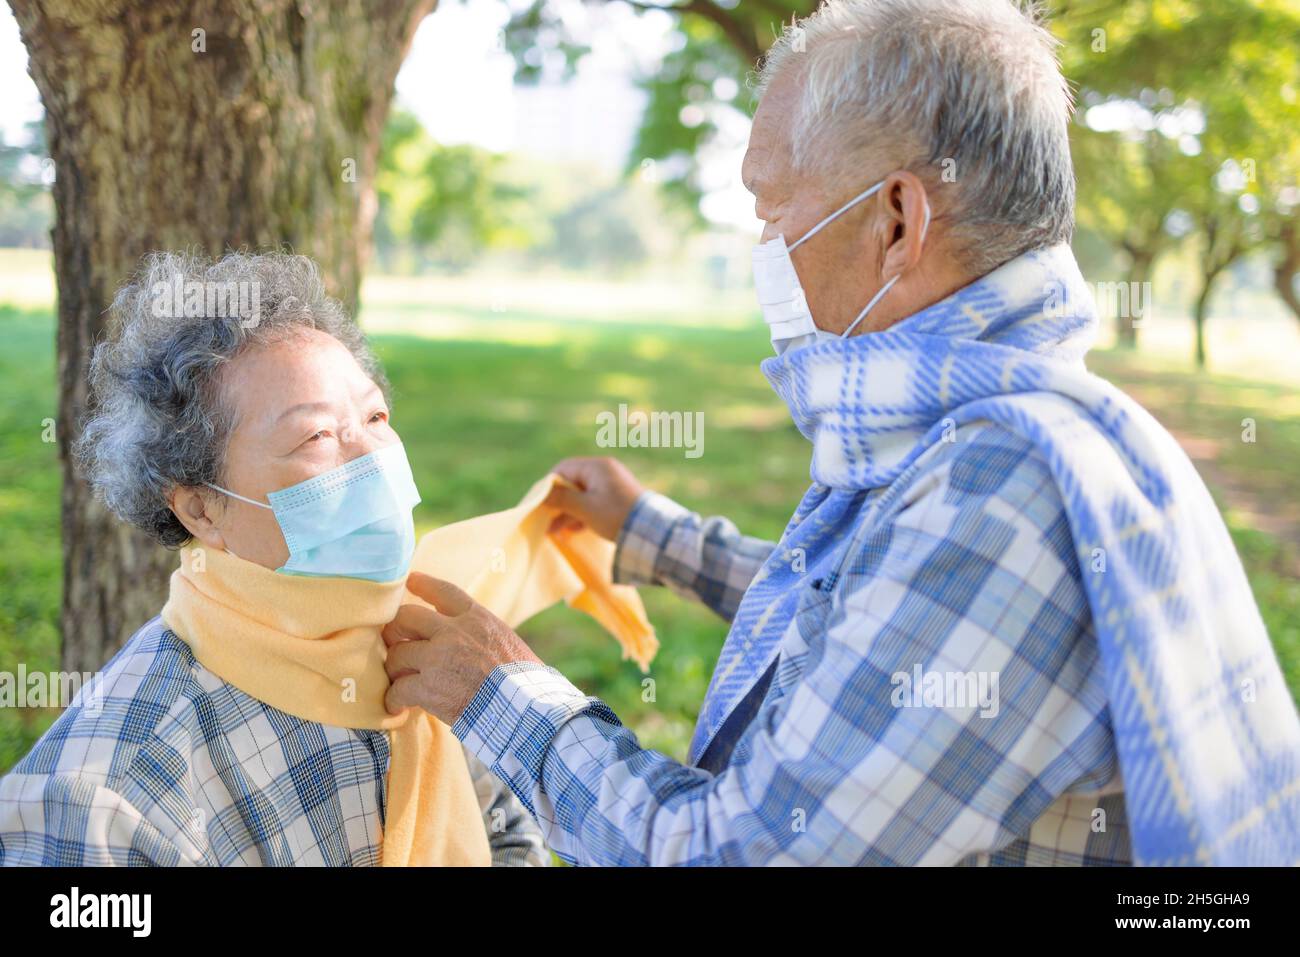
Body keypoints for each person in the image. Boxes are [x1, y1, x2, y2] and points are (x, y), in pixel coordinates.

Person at [380, 0, 1300, 865]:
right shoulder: (992, 422)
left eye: (772, 205)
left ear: (897, 220)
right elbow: (866, 618)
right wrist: (652, 534)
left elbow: (746, 852)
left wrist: (507, 698)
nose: (763, 243)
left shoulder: (1003, 486)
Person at [0, 251, 547, 866]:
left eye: (374, 416)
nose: (373, 458)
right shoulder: (106, 802)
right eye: (314, 436)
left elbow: (507, 838)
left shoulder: (430, 655)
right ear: (203, 511)